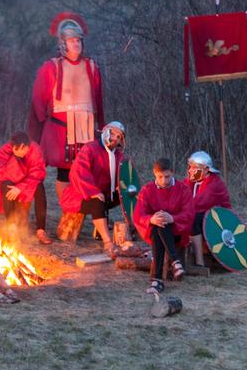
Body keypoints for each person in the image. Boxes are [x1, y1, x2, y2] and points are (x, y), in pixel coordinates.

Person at [28, 12, 105, 202]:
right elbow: (38, 99)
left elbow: (98, 100)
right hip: (61, 130)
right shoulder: (51, 67)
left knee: (87, 169)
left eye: (78, 40)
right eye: (71, 41)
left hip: (86, 129)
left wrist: (101, 127)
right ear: (63, 43)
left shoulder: (92, 67)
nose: (76, 44)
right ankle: (67, 209)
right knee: (64, 172)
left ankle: (87, 209)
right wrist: (37, 132)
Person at [60, 122, 125, 253]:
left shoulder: (118, 155)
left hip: (103, 193)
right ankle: (107, 242)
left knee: (122, 196)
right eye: (113, 133)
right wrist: (92, 191)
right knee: (97, 203)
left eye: (118, 137)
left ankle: (129, 230)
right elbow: (79, 172)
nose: (115, 138)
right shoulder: (90, 148)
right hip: (79, 195)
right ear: (106, 131)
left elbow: (122, 175)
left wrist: (121, 186)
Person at [134, 158, 194, 294]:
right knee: (158, 224)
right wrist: (151, 219)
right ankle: (175, 261)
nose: (164, 180)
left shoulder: (183, 189)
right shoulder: (147, 190)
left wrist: (173, 218)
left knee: (162, 223)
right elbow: (138, 216)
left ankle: (156, 280)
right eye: (160, 177)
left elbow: (189, 214)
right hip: (156, 232)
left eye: (167, 176)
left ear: (172, 173)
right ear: (155, 173)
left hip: (177, 233)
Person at [0, 132, 51, 244]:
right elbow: (3, 172)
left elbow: (37, 174)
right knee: (5, 185)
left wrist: (20, 188)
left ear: (26, 146)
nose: (21, 153)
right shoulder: (6, 149)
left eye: (23, 150)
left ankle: (41, 230)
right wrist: (15, 160)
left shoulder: (35, 151)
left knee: (40, 188)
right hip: (13, 177)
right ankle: (11, 227)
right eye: (16, 150)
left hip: (30, 180)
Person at [183, 151, 231, 268]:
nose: (190, 170)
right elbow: (180, 193)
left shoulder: (214, 184)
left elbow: (198, 204)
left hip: (218, 222)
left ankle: (199, 262)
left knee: (193, 219)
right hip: (203, 217)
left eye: (193, 168)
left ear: (205, 169)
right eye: (190, 167)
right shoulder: (194, 181)